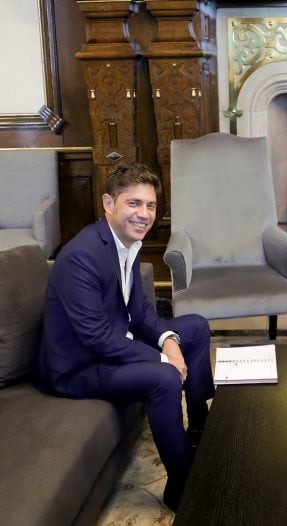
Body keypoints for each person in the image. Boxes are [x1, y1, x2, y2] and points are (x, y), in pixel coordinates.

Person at [35, 162, 215, 511]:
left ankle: (198, 426)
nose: (144, 214)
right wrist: (166, 358)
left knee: (194, 327)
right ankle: (182, 483)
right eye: (134, 203)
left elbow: (142, 312)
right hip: (78, 367)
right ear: (108, 203)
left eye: (150, 205)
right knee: (163, 376)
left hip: (111, 343)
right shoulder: (81, 257)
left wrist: (167, 340)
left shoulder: (127, 243)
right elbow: (97, 338)